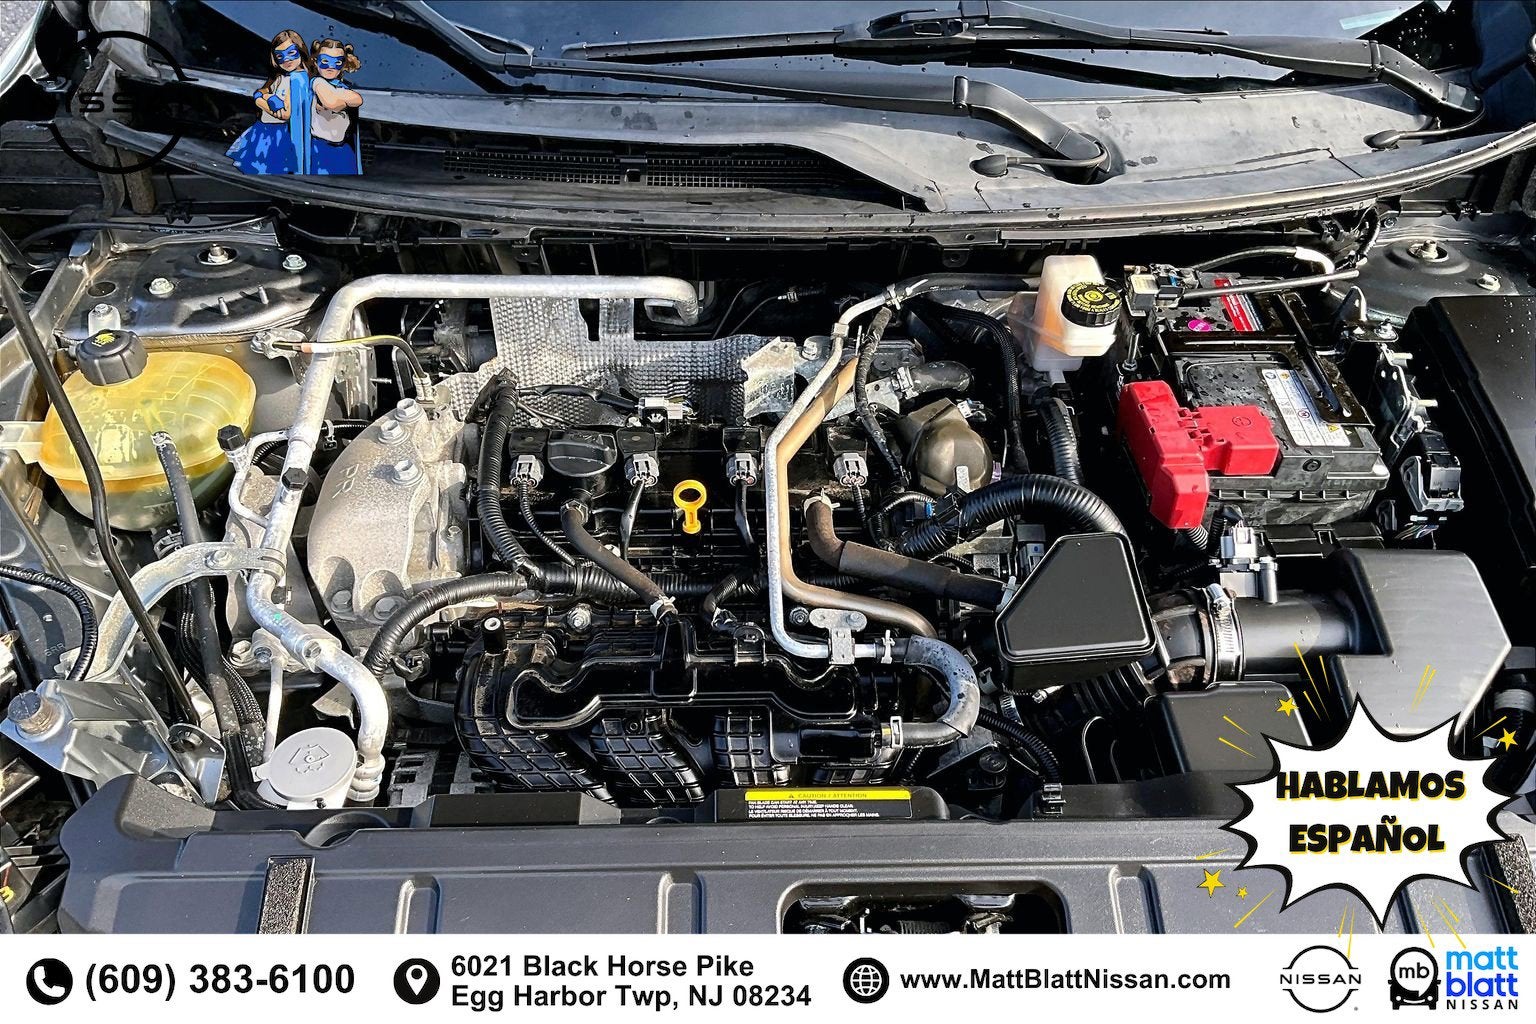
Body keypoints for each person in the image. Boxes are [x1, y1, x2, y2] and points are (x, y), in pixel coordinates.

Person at [226, 29, 312, 175]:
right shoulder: (283, 77)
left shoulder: (298, 81)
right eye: (280, 56)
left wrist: (260, 100)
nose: (286, 59)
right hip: (265, 130)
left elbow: (285, 114)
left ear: (301, 51)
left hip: (276, 134)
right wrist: (267, 96)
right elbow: (267, 91)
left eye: (291, 53)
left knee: (265, 169)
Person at [307, 39, 364, 175]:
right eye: (325, 61)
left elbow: (358, 99)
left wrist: (339, 97)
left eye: (337, 62)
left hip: (342, 146)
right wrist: (343, 99)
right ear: (316, 61)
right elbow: (332, 103)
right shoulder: (318, 82)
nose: (330, 67)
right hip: (320, 147)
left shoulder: (341, 85)